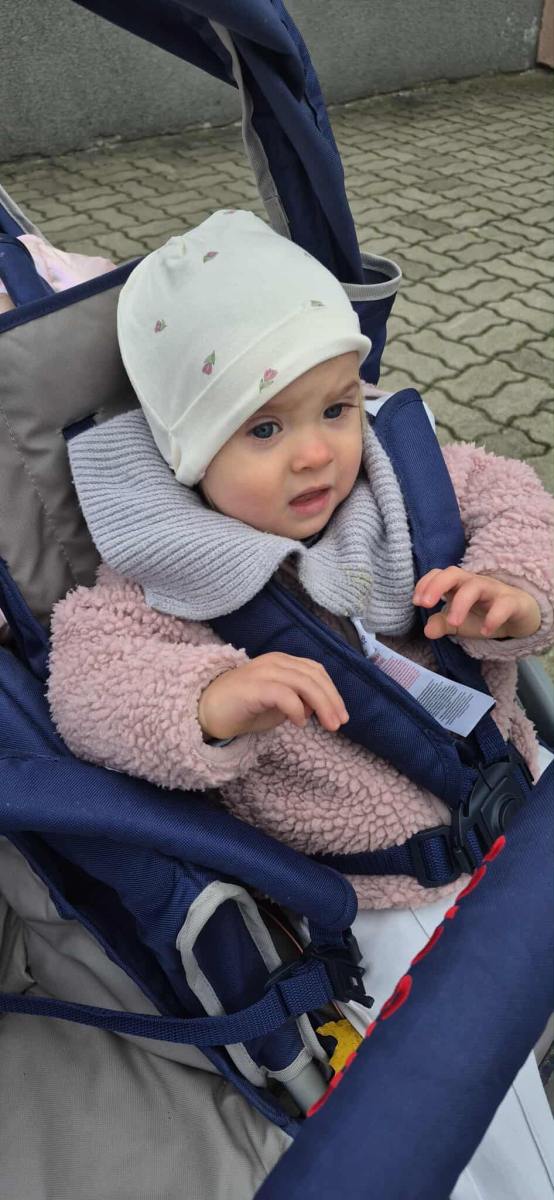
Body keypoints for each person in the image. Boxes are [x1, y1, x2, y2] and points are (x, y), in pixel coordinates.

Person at [48, 210, 554, 1199]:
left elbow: (516, 499)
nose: (318, 454)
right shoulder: (163, 578)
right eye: (266, 429)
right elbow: (87, 684)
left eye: (335, 408)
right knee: (457, 1094)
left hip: (515, 789)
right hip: (383, 900)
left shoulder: (405, 479)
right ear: (189, 452)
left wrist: (514, 586)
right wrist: (208, 700)